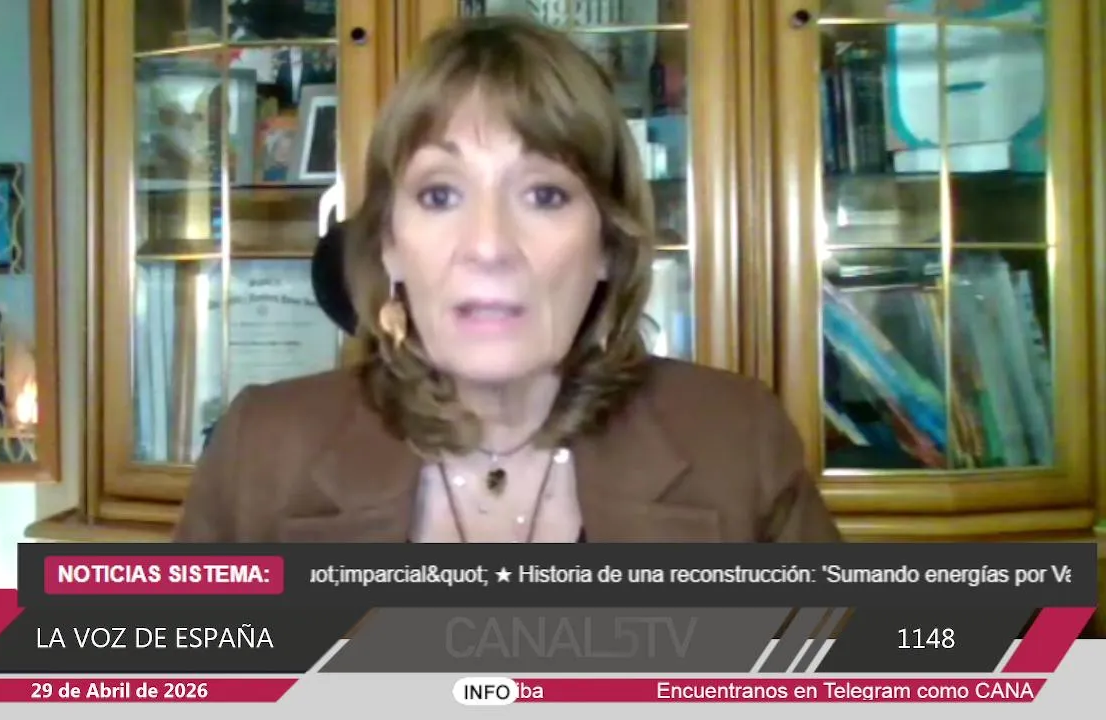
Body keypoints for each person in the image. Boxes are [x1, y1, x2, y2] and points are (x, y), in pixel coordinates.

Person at [174, 16, 840, 544]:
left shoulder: (739, 441)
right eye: (440, 195)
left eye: (544, 195)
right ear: (390, 246)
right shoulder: (259, 452)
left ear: (608, 246)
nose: (489, 246)